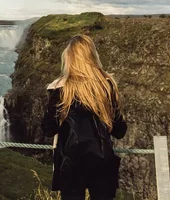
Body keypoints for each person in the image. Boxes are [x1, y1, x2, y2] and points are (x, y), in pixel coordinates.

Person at [41, 34, 127, 200]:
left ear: (69, 58)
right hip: (102, 161)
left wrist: (52, 96)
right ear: (93, 56)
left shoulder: (61, 90)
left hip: (71, 163)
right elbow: (119, 131)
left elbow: (48, 129)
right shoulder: (107, 86)